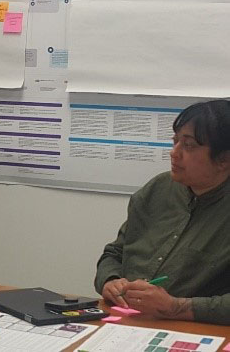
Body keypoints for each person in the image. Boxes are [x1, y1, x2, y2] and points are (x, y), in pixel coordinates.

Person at [95, 100, 230, 325]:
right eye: (175, 141)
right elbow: (114, 253)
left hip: (194, 330)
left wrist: (176, 307)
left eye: (188, 145)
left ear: (224, 159)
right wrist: (110, 281)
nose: (174, 153)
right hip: (124, 321)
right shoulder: (157, 189)